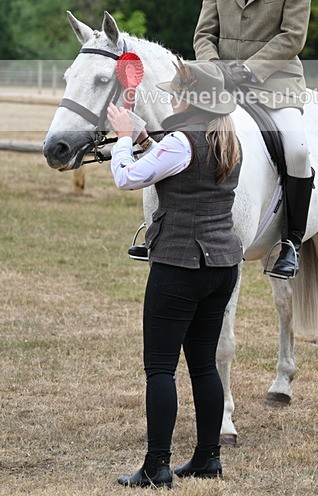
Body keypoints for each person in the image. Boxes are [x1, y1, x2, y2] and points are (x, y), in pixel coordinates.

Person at [107, 60, 242, 487]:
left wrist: (125, 139)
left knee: (160, 368)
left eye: (176, 93)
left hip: (180, 264)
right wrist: (147, 137)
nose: (170, 97)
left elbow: (127, 178)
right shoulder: (227, 138)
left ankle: (156, 466)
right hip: (222, 264)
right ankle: (207, 458)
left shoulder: (181, 141)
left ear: (191, 100)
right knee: (203, 364)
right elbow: (178, 163)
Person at [194, 0, 313, 279]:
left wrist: (247, 70)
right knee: (179, 135)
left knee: (296, 149)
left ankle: (291, 241)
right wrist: (214, 70)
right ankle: (164, 229)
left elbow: (292, 37)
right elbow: (204, 34)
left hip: (275, 83)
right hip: (222, 83)